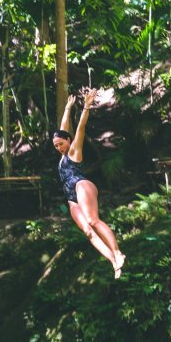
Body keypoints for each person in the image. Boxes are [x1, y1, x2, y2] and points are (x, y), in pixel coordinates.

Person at [52, 88, 125, 278]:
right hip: (71, 198)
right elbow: (62, 128)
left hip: (81, 186)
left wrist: (85, 107)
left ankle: (118, 252)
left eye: (60, 144)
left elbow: (80, 129)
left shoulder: (74, 151)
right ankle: (114, 262)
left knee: (93, 220)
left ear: (68, 141)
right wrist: (67, 108)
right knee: (88, 231)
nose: (58, 147)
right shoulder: (61, 155)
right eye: (56, 146)